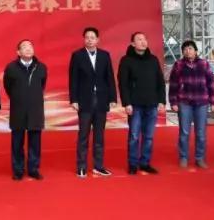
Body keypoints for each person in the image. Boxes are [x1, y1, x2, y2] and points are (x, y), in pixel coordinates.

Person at [69, 27, 117, 178]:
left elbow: (110, 77)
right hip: (84, 100)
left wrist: (113, 98)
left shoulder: (104, 55)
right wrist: (74, 99)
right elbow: (73, 79)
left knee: (99, 136)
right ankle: (81, 166)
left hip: (101, 100)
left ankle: (98, 166)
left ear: (97, 40)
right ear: (84, 39)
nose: (89, 40)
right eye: (87, 37)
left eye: (92, 37)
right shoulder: (77, 55)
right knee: (83, 135)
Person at [117, 32, 165, 175]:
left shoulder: (153, 60)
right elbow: (123, 84)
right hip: (135, 104)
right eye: (139, 39)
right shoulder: (126, 60)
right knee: (134, 136)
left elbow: (160, 82)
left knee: (149, 136)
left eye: (144, 39)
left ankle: (145, 163)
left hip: (152, 104)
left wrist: (162, 101)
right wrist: (127, 103)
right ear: (133, 43)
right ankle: (133, 164)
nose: (143, 42)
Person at [168, 40, 214, 169]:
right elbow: (173, 85)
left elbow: (211, 83)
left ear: (196, 51)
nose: (187, 51)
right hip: (184, 102)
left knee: (201, 133)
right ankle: (183, 157)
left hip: (202, 102)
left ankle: (199, 158)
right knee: (184, 132)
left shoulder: (204, 64)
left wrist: (213, 101)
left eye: (190, 48)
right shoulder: (178, 65)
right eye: (185, 49)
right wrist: (173, 102)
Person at [3, 39, 47, 181]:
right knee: (17, 142)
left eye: (30, 46)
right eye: (24, 47)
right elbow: (8, 86)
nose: (28, 49)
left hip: (35, 110)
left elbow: (42, 85)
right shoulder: (11, 68)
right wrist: (18, 98)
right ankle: (18, 170)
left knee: (35, 142)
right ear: (18, 52)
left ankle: (33, 169)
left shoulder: (41, 67)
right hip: (18, 110)